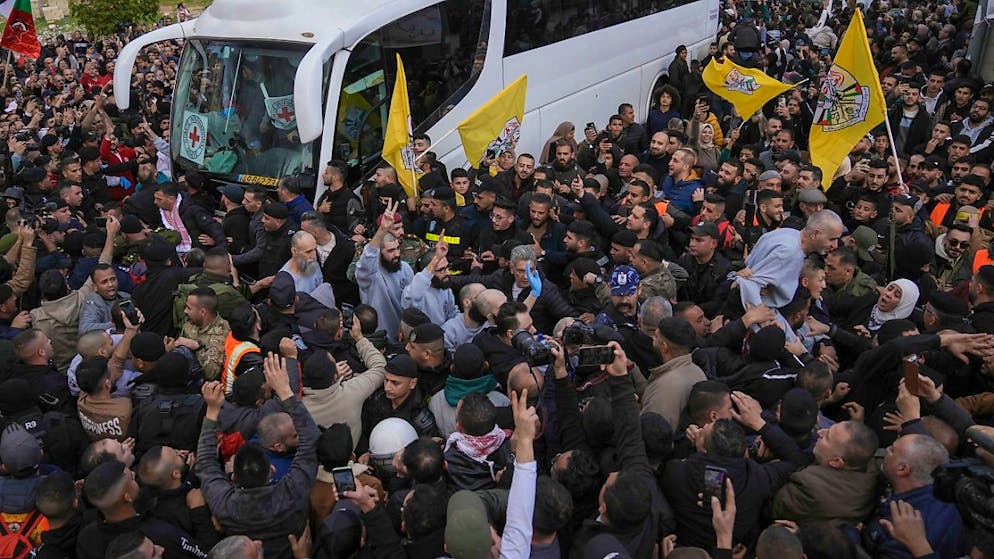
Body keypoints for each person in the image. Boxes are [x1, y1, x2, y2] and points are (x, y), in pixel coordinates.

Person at [197, 352, 315, 558]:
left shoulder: (225, 505)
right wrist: (285, 390)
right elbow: (311, 439)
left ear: (233, 477)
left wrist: (212, 411)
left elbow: (206, 463)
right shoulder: (292, 492)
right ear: (271, 469)